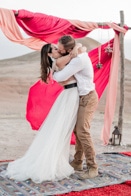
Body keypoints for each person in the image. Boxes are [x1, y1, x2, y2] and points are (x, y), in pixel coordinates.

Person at [4, 43, 86, 183]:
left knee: (60, 130)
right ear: (49, 54)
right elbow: (78, 51)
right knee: (61, 130)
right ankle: (52, 162)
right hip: (70, 95)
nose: (57, 49)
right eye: (54, 49)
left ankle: (59, 158)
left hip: (69, 95)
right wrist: (75, 48)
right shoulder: (58, 61)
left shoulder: (57, 61)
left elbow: (80, 50)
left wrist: (76, 47)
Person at [53, 35, 99, 179]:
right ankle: (78, 162)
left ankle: (93, 167)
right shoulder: (75, 55)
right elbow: (80, 46)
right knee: (77, 130)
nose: (59, 51)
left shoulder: (78, 60)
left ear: (68, 50)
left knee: (83, 131)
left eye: (60, 49)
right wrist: (78, 46)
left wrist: (53, 73)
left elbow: (60, 77)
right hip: (81, 97)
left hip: (88, 97)